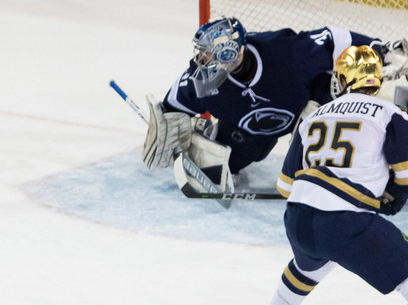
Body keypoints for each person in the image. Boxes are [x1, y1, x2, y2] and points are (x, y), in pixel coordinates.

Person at [255, 45, 408, 305]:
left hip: (297, 219)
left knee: (312, 262)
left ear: (342, 80)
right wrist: (396, 196)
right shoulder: (389, 112)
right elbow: (406, 172)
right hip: (345, 221)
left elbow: (285, 186)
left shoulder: (314, 116)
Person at [142, 17, 407, 182]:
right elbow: (171, 107)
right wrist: (167, 125)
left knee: (346, 92)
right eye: (202, 55)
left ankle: (379, 163)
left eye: (208, 55)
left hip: (304, 106)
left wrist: (377, 49)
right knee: (220, 167)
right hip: (246, 131)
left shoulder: (285, 53)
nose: (201, 61)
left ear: (231, 56)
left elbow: (332, 39)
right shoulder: (201, 83)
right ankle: (212, 134)